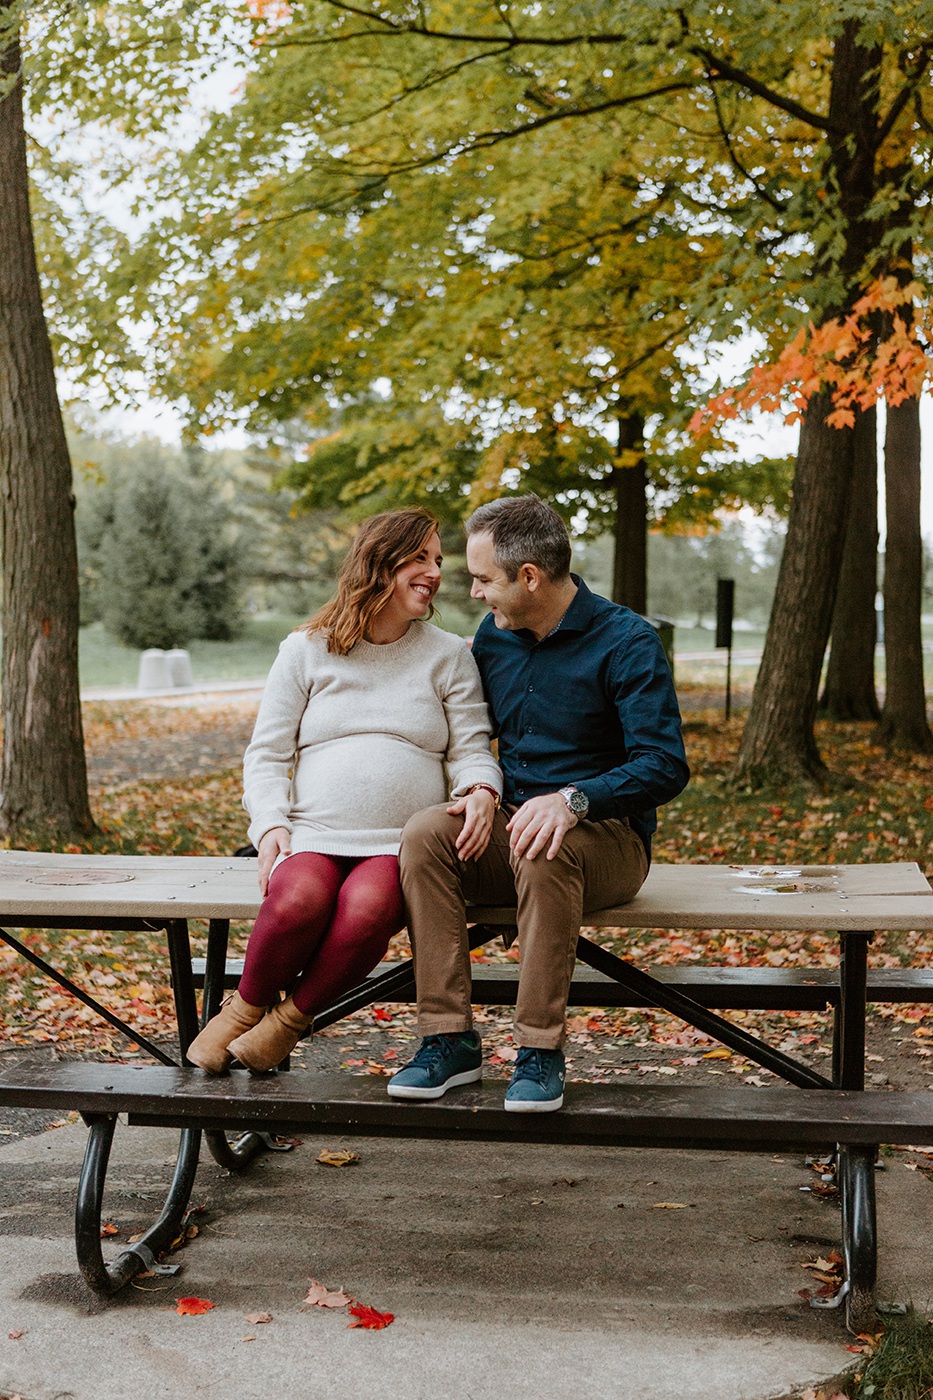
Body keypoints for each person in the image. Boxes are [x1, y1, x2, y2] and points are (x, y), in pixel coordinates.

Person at [388, 495, 689, 1112]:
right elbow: (470, 737)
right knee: (425, 834)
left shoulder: (626, 641)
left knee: (545, 844)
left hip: (607, 838)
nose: (473, 593)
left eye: (482, 579)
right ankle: (448, 1040)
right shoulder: (494, 639)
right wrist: (478, 791)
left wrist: (575, 800)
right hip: (514, 822)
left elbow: (664, 764)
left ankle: (538, 1049)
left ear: (530, 577)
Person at [188, 507, 502, 1075]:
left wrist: (481, 787)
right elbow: (267, 754)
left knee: (367, 911)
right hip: (314, 830)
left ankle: (285, 1025)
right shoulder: (306, 649)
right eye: (421, 557)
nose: (435, 572)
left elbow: (471, 746)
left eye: (438, 560)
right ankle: (242, 1012)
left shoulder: (448, 654)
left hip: (397, 842)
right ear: (380, 562)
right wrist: (271, 825)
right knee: (298, 901)